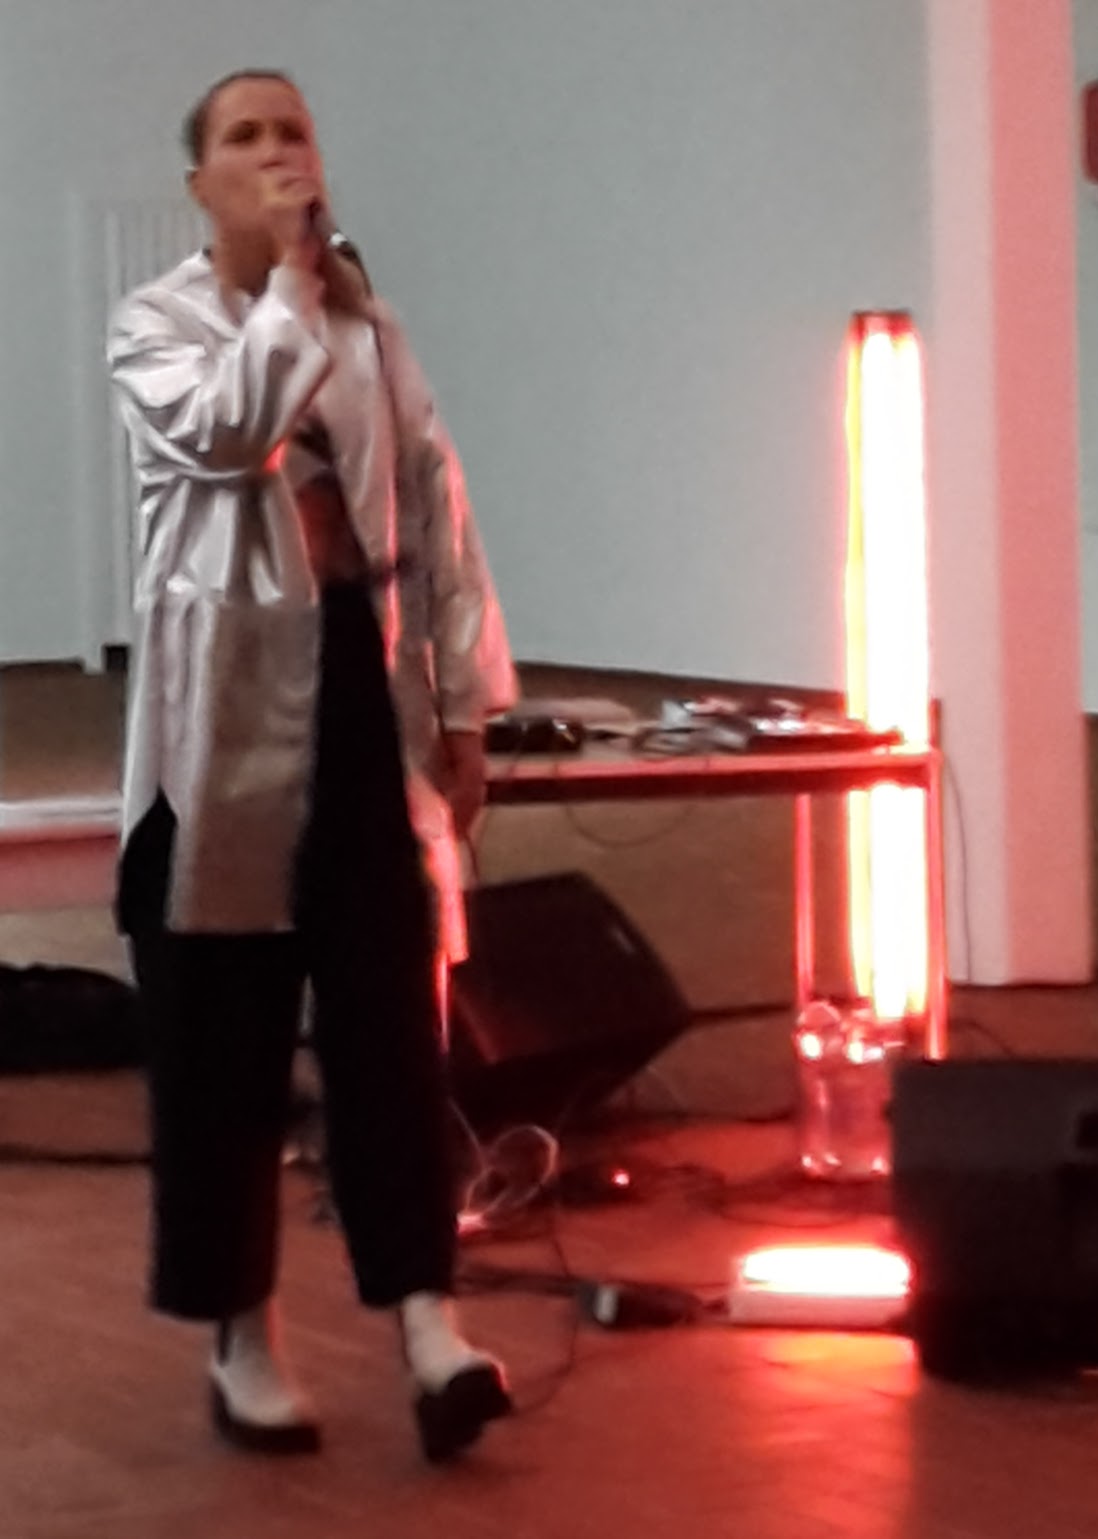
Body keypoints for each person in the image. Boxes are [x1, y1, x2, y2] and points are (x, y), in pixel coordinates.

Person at [106, 68, 517, 1463]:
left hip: (356, 695)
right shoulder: (154, 325)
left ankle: (430, 1330)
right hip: (215, 730)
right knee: (220, 1042)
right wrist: (289, 284)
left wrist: (464, 705)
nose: (280, 152)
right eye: (247, 137)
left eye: (295, 131)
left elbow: (438, 511)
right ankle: (243, 1339)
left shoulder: (369, 327)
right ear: (200, 184)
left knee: (391, 1023)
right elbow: (231, 434)